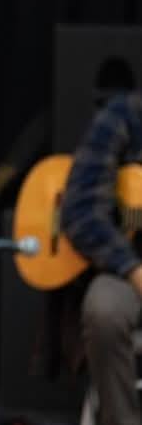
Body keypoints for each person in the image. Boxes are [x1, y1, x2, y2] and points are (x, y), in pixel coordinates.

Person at [61, 91, 142, 425]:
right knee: (105, 310)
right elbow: (81, 211)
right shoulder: (126, 115)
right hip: (128, 267)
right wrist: (133, 268)